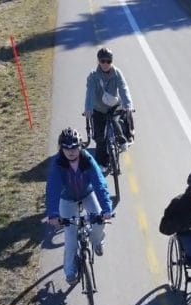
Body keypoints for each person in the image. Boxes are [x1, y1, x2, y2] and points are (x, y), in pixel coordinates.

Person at [45, 127, 114, 285]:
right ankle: (70, 271)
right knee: (70, 239)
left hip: (87, 194)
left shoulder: (86, 159)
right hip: (67, 199)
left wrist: (106, 208)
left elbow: (99, 183)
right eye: (66, 148)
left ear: (80, 146)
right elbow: (52, 189)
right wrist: (53, 214)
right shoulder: (58, 163)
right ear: (61, 148)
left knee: (99, 221)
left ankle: (97, 241)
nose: (71, 152)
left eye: (74, 147)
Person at [83, 46, 134, 173]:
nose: (106, 64)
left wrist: (128, 104)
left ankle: (122, 140)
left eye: (108, 61)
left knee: (117, 120)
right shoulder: (93, 76)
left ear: (112, 61)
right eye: (103, 61)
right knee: (101, 138)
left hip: (114, 105)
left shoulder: (117, 73)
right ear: (98, 61)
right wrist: (88, 109)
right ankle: (103, 163)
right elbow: (89, 93)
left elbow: (123, 88)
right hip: (99, 108)